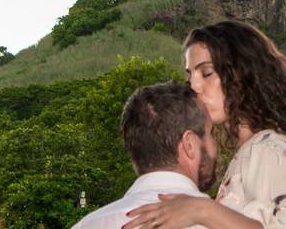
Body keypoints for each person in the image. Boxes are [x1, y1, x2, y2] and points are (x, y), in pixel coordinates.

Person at [123, 20, 286, 229]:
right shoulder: (249, 153)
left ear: (243, 74)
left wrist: (202, 210)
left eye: (206, 73)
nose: (194, 86)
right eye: (190, 76)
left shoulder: (270, 149)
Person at [71, 81, 219, 229]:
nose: (215, 144)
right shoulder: (222, 221)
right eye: (210, 133)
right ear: (189, 144)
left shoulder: (87, 225)